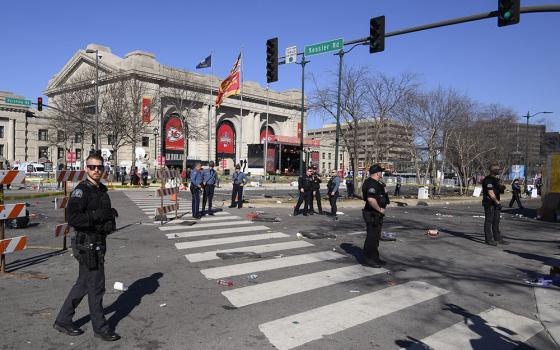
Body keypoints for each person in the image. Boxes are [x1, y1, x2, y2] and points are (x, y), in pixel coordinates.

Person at [53, 153, 120, 341]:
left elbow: (102, 214)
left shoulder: (101, 190)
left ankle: (63, 319)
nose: (96, 170)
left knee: (83, 283)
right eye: (92, 167)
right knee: (96, 286)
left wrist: (109, 216)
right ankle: (101, 328)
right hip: (87, 244)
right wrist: (97, 216)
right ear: (86, 168)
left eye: (99, 167)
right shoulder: (81, 191)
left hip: (98, 241)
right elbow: (73, 218)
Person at [361, 164, 390, 268]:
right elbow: (371, 199)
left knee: (376, 237)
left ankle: (375, 257)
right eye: (381, 172)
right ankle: (368, 259)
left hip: (376, 214)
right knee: (371, 237)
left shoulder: (377, 183)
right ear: (377, 173)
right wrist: (380, 209)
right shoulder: (371, 184)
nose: (381, 173)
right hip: (372, 213)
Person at [482, 164, 508, 246]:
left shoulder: (495, 179)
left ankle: (497, 238)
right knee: (489, 221)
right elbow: (490, 192)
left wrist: (502, 188)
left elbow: (497, 189)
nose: (499, 171)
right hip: (489, 203)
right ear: (493, 170)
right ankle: (488, 239)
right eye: (498, 169)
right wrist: (497, 202)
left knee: (496, 221)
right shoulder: (488, 180)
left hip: (496, 203)